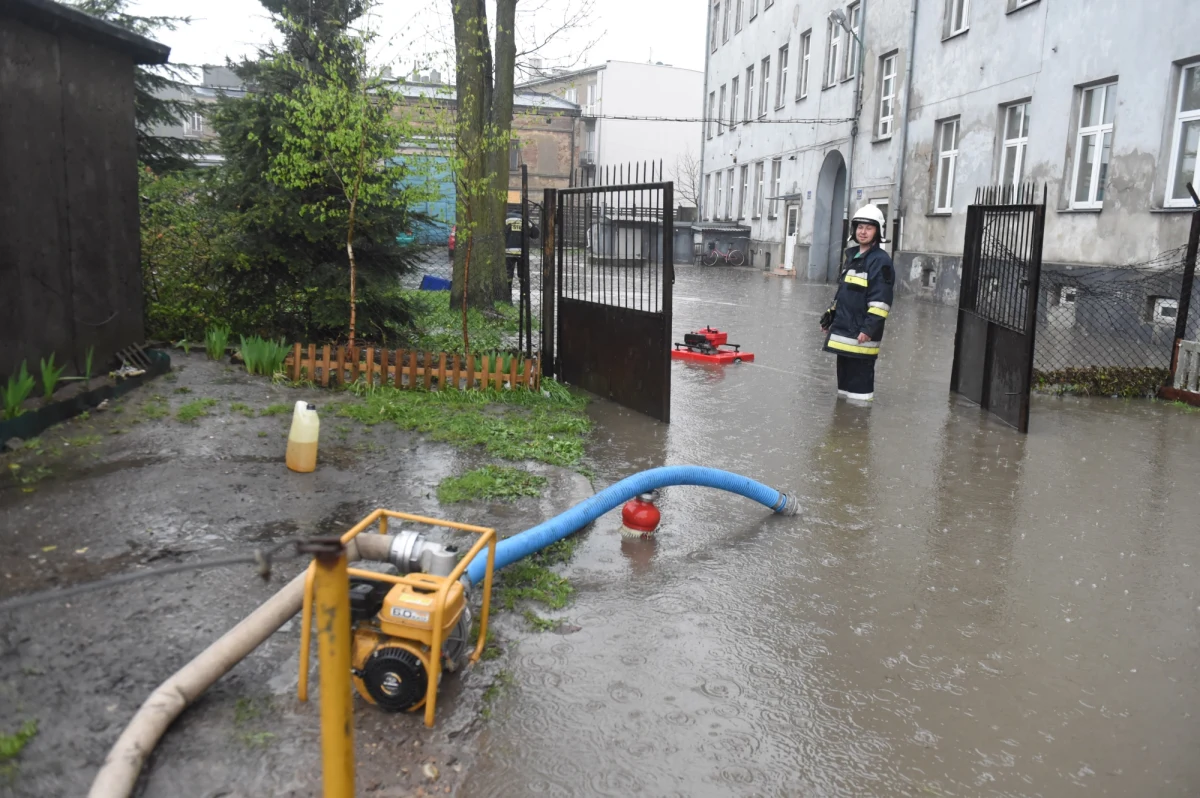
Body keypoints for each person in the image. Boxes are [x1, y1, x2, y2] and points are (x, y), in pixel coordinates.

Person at [820, 204, 895, 402]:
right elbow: (846, 293)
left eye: (868, 228)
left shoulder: (881, 261)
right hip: (845, 332)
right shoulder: (853, 256)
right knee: (843, 395)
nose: (863, 232)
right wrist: (831, 316)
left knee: (859, 397)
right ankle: (843, 428)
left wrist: (869, 329)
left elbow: (881, 301)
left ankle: (858, 429)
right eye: (860, 227)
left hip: (862, 337)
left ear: (878, 231)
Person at [503, 209, 539, 296]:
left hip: (508, 251)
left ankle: (508, 296)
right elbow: (536, 234)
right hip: (522, 252)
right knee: (522, 275)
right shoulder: (525, 219)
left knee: (508, 275)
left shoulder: (506, 218)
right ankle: (524, 295)